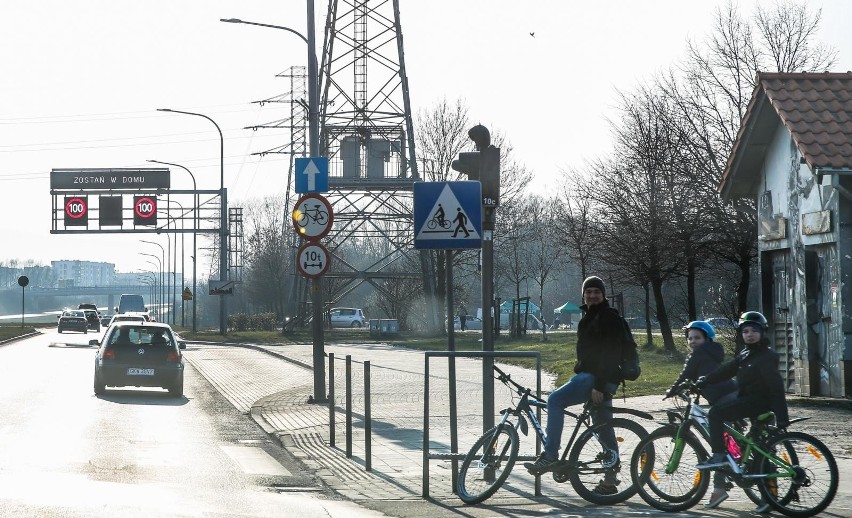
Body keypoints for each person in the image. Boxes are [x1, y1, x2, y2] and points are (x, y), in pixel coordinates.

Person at [524, 275, 627, 495]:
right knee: (603, 427)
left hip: (597, 378)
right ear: (583, 294)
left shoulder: (608, 317)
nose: (592, 295)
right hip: (599, 378)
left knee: (555, 400)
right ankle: (610, 482)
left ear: (603, 294)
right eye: (588, 292)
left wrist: (598, 386)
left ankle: (550, 454)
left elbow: (611, 354)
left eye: (596, 292)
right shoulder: (590, 317)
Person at [695, 311, 790, 513]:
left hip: (758, 404)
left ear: (763, 333)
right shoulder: (746, 354)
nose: (749, 334)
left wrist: (783, 418)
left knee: (715, 414)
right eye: (745, 331)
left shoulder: (765, 357)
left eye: (754, 331)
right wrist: (705, 380)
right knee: (759, 450)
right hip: (750, 403)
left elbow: (776, 387)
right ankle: (769, 498)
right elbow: (726, 370)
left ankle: (719, 455)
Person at [666, 320, 737, 509]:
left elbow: (686, 373)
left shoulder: (699, 354)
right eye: (690, 338)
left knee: (718, 446)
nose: (693, 341)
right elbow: (703, 373)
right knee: (728, 442)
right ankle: (727, 477)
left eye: (697, 337)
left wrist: (672, 389)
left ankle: (719, 488)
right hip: (732, 394)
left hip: (723, 399)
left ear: (707, 338)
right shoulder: (713, 352)